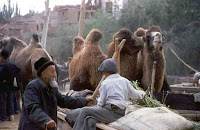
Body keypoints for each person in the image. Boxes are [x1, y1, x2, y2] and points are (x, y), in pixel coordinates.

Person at [65, 58, 146, 130]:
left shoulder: (105, 83)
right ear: (116, 70)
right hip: (120, 111)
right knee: (90, 120)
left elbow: (101, 103)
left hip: (111, 112)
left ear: (104, 72)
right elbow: (134, 94)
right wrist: (143, 94)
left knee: (85, 110)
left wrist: (96, 108)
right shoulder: (124, 80)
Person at [18, 57, 93, 130]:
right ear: (43, 74)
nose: (55, 75)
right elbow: (32, 108)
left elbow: (63, 100)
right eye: (52, 72)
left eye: (55, 72)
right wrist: (45, 120)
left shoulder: (51, 87)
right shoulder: (33, 86)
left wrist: (84, 101)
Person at [0, 50, 20, 121]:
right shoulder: (13, 64)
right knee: (10, 100)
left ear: (2, 57)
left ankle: (3, 116)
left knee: (3, 101)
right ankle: (11, 115)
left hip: (3, 86)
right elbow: (18, 71)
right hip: (11, 86)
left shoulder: (3, 65)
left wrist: (3, 79)